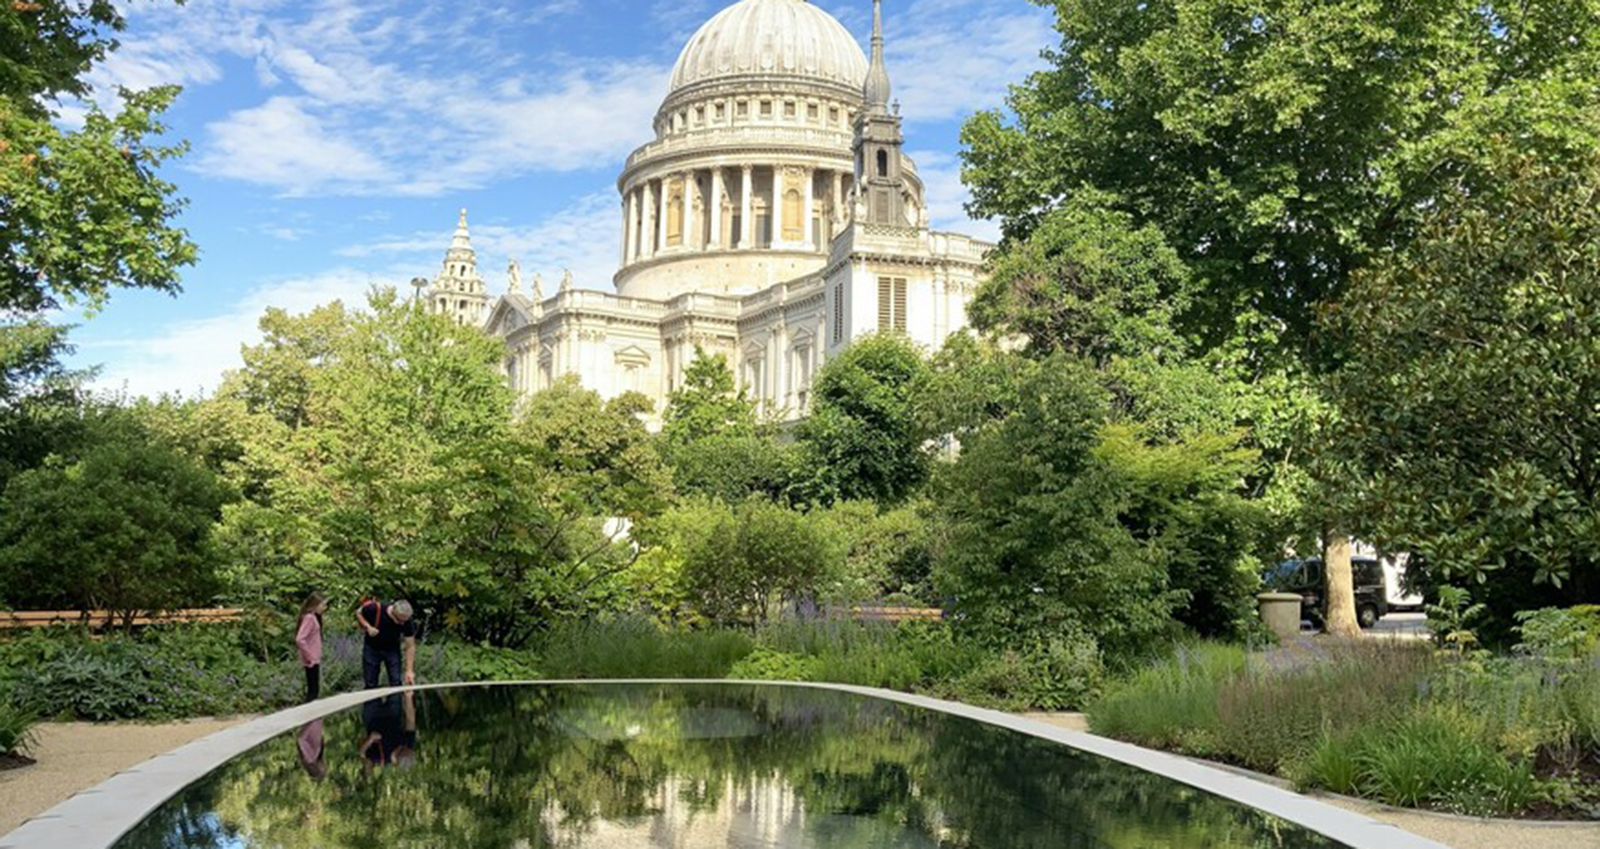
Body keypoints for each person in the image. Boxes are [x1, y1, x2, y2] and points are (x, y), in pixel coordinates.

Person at [355, 598, 417, 689]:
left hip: (392, 649)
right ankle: (372, 702)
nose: (402, 623)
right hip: (372, 648)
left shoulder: (406, 620)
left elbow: (410, 646)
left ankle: (395, 702)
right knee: (370, 682)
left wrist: (409, 671)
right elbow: (359, 612)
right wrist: (368, 627)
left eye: (404, 621)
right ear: (392, 613)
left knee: (396, 681)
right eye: (400, 621)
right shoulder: (374, 608)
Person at [296, 592, 328, 702]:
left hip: (314, 659)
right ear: (315, 604)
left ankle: (312, 716)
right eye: (323, 605)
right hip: (311, 660)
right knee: (313, 692)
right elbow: (300, 639)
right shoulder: (309, 618)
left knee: (314, 690)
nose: (324, 608)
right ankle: (310, 716)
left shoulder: (314, 617)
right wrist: (309, 657)